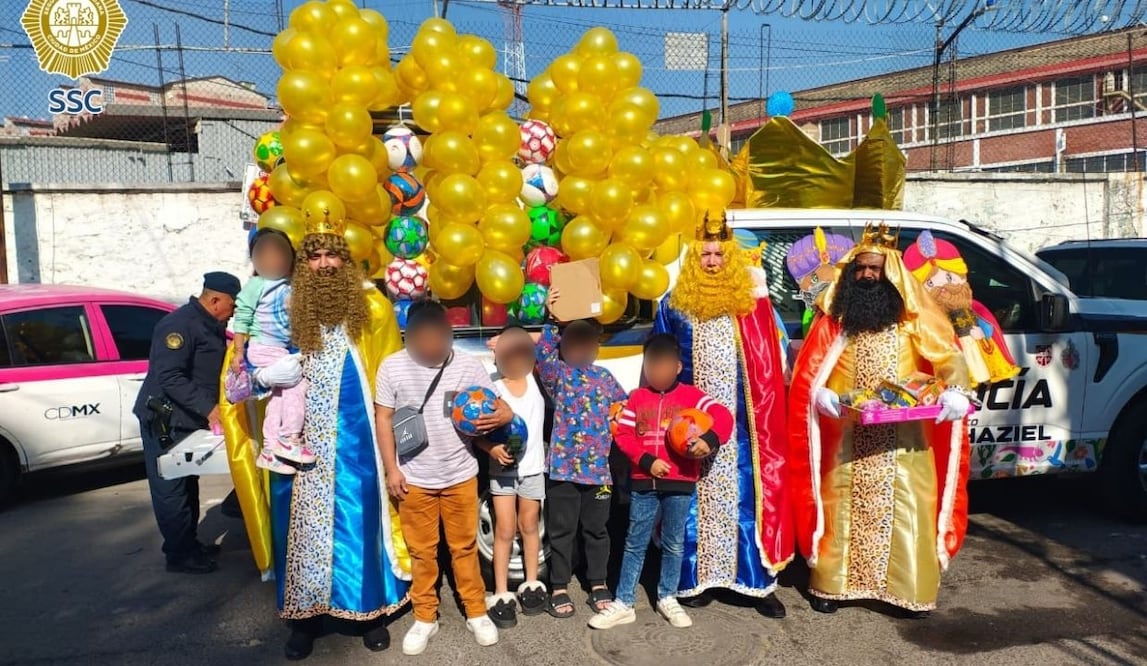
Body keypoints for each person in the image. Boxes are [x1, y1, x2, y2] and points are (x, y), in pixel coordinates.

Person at [242, 212, 411, 660]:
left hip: (358, 439)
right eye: (313, 256)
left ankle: (369, 611)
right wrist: (262, 375)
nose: (322, 265)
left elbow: (395, 372)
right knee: (296, 530)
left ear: (346, 260)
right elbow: (239, 373)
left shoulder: (372, 306)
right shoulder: (280, 303)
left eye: (331, 256)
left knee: (359, 520)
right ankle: (303, 619)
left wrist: (405, 447)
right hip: (293, 439)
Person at [788, 223, 973, 618]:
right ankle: (832, 586)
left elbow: (949, 357)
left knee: (909, 507)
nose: (869, 276)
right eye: (862, 269)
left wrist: (956, 389)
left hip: (905, 441)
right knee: (841, 507)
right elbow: (811, 371)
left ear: (891, 272)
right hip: (847, 439)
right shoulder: (835, 318)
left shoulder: (915, 317)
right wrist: (818, 395)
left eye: (876, 269)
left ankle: (907, 589)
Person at [653, 213, 793, 618]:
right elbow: (661, 363)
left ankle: (754, 583)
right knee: (692, 505)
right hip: (690, 427)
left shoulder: (751, 307)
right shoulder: (673, 307)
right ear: (694, 259)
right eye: (705, 254)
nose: (712, 262)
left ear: (731, 259)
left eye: (719, 254)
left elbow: (767, 366)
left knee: (748, 501)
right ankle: (694, 578)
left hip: (744, 432)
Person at [375, 300, 513, 656]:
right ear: (410, 337)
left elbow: (503, 407)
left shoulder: (467, 365)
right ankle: (425, 616)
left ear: (450, 335)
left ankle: (476, 611)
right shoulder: (391, 368)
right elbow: (384, 420)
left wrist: (499, 418)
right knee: (422, 552)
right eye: (426, 342)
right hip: (413, 479)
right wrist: (392, 469)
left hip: (460, 475)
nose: (434, 349)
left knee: (464, 548)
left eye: (441, 340)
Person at [590, 334, 734, 630]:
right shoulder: (637, 397)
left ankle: (667, 597)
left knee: (673, 544)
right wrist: (646, 462)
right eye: (650, 367)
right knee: (634, 543)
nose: (656, 373)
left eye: (662, 366)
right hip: (643, 484)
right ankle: (624, 602)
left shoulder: (693, 396)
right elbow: (624, 436)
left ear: (678, 367)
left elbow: (723, 416)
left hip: (680, 484)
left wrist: (710, 439)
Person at [133, 271, 240, 574]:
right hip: (165, 419)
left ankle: (188, 544)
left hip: (187, 419)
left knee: (188, 484)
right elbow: (170, 376)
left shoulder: (210, 323)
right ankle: (179, 555)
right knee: (171, 489)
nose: (233, 312)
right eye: (231, 305)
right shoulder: (178, 326)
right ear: (215, 299)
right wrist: (210, 409)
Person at [535, 295, 628, 619]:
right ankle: (558, 586)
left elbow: (626, 410)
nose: (580, 347)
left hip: (598, 474)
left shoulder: (605, 378)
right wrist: (553, 318)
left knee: (597, 531)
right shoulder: (557, 375)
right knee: (561, 532)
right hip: (562, 471)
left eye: (586, 340)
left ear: (596, 345)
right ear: (563, 344)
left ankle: (598, 582)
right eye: (572, 340)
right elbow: (542, 353)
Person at [476, 326, 553, 628]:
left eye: (520, 349)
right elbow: (475, 430)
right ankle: (500, 591)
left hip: (532, 468)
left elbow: (552, 339)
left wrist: (524, 336)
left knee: (530, 525)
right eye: (508, 350)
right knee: (505, 529)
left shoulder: (536, 378)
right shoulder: (492, 385)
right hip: (503, 471)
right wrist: (491, 448)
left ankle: (532, 584)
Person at [230, 229, 315, 474]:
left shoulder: (290, 284)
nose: (272, 261)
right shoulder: (256, 285)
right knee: (297, 386)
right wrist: (238, 352)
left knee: (279, 395)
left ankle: (269, 449)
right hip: (263, 346)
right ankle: (289, 437)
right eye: (264, 255)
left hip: (279, 347)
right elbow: (242, 317)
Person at [902, 230, 1020, 387]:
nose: (943, 286)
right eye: (930, 284)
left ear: (962, 276)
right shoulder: (922, 318)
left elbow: (986, 324)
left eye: (949, 277)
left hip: (972, 349)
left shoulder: (975, 308)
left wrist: (982, 332)